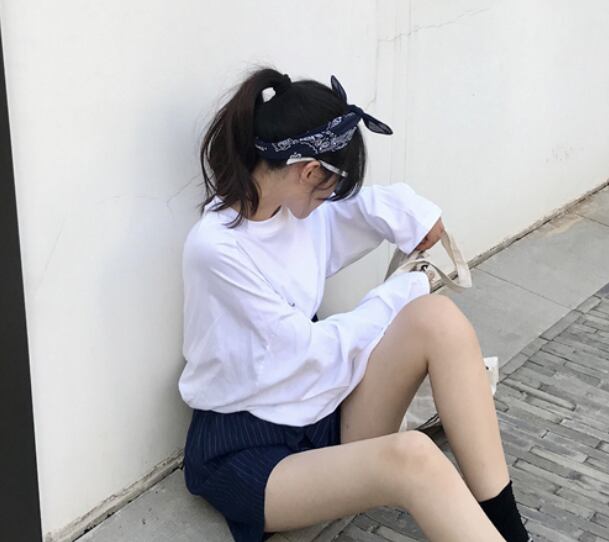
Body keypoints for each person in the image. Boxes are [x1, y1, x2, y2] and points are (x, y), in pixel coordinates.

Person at [178, 66, 532, 542]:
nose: (330, 201)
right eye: (328, 188)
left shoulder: (289, 207)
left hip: (319, 412)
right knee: (413, 457)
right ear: (308, 171)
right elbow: (305, 353)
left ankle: (509, 531)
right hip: (250, 452)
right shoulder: (218, 249)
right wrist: (403, 290)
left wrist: (414, 216)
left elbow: (359, 207)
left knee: (438, 319)